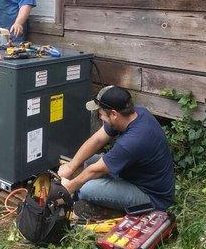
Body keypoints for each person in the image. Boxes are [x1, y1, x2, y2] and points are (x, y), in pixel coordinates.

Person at [58, 85, 175, 215]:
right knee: (89, 161)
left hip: (151, 196)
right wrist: (71, 166)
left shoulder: (133, 141)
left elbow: (96, 170)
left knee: (87, 189)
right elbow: (97, 140)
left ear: (113, 114)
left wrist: (68, 188)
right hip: (135, 175)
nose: (100, 117)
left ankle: (98, 210)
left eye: (100, 114)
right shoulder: (135, 113)